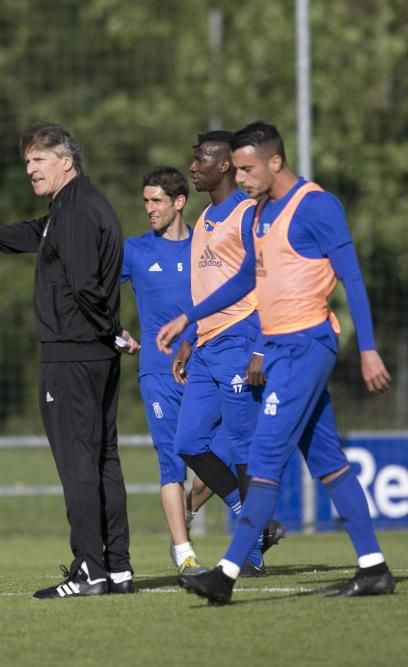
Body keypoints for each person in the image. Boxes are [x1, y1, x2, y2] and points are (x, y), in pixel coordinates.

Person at [159, 121, 395, 603]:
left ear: (274, 162)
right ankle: (374, 568)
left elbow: (352, 278)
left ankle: (224, 576)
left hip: (306, 346)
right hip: (285, 349)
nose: (241, 178)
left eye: (247, 169)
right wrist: (191, 315)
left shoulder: (317, 206)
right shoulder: (261, 211)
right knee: (328, 463)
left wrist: (367, 348)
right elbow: (247, 277)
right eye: (238, 170)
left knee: (265, 458)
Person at [0, 122, 134, 598]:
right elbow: (31, 233)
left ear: (66, 161)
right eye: (27, 162)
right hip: (94, 352)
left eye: (38, 160)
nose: (30, 169)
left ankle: (90, 570)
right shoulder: (69, 207)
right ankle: (118, 567)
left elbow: (85, 284)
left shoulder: (79, 210)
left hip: (74, 356)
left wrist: (110, 329)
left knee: (78, 462)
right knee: (103, 458)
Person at [170, 130, 273, 575]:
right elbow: (204, 288)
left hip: (240, 341)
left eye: (201, 159)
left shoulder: (248, 213)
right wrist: (189, 338)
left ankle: (251, 557)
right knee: (189, 442)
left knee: (246, 450)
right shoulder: (206, 217)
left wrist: (261, 348)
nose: (193, 167)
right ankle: (253, 523)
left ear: (225, 164)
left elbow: (266, 282)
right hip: (207, 347)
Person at [120, 166, 210, 575]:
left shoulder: (207, 248)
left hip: (206, 368)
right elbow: (95, 289)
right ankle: (183, 553)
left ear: (179, 202)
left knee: (220, 457)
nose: (149, 209)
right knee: (171, 462)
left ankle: (186, 509)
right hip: (157, 374)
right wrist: (113, 330)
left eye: (156, 201)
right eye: (145, 201)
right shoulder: (135, 250)